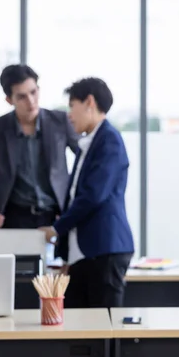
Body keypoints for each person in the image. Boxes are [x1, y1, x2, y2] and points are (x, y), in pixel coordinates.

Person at [40, 77, 134, 308]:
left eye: (72, 105)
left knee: (104, 329)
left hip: (105, 248)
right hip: (88, 252)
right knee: (80, 326)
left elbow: (93, 196)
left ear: (89, 102)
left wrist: (56, 229)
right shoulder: (91, 141)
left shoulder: (109, 139)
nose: (69, 115)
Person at [0, 64, 79, 229]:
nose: (31, 101)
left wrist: (75, 202)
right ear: (9, 100)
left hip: (57, 214)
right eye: (21, 97)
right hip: (11, 217)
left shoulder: (60, 122)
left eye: (33, 92)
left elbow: (85, 159)